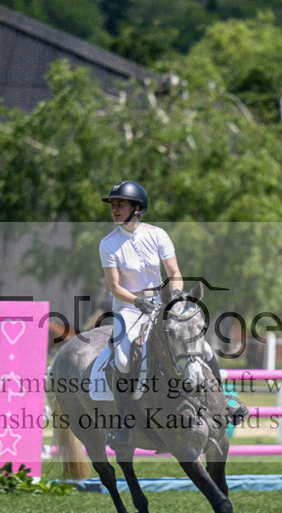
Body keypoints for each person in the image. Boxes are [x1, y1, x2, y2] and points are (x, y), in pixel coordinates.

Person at [97, 180, 247, 450]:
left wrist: (175, 301)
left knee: (206, 351)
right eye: (114, 205)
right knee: (121, 357)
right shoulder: (108, 244)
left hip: (163, 306)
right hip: (128, 309)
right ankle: (122, 423)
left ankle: (225, 403)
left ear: (138, 208)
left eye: (120, 204)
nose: (115, 209)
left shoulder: (158, 235)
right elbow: (115, 287)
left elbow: (174, 274)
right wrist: (136, 300)